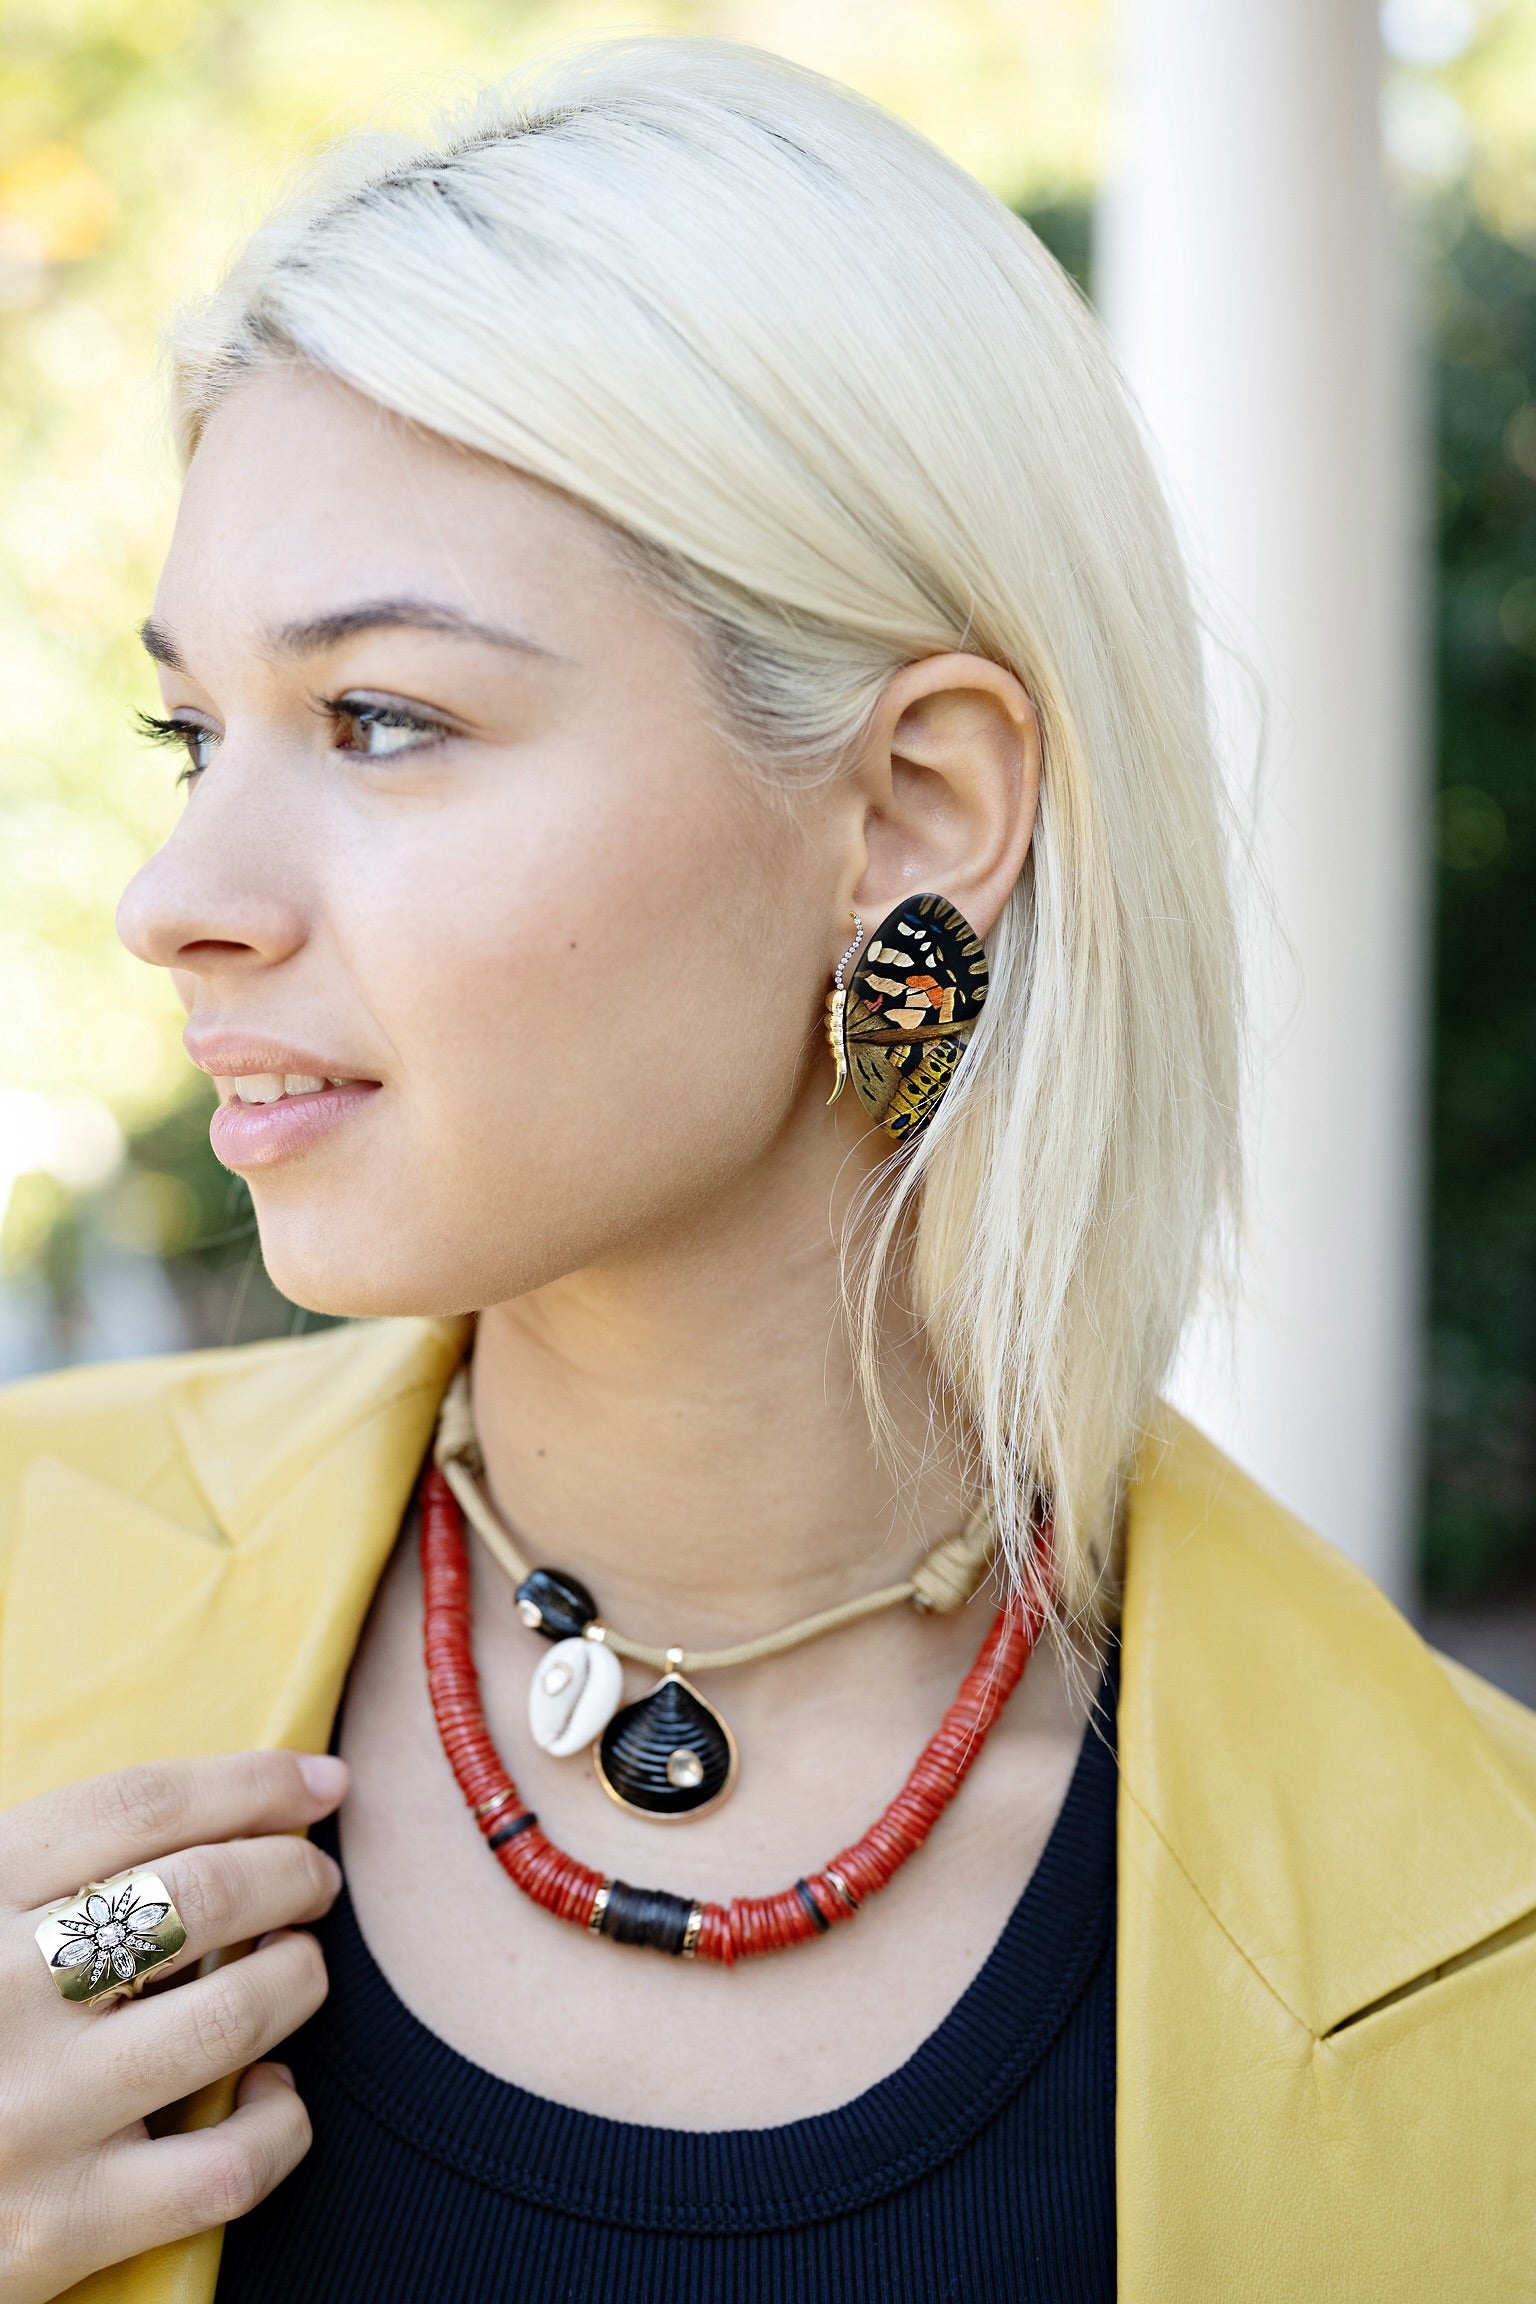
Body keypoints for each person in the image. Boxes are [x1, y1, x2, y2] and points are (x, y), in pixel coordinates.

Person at [0, 38, 1531, 2304]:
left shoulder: (1468, 1962)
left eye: (384, 719)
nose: (179, 896)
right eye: (192, 733)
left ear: (918, 805)